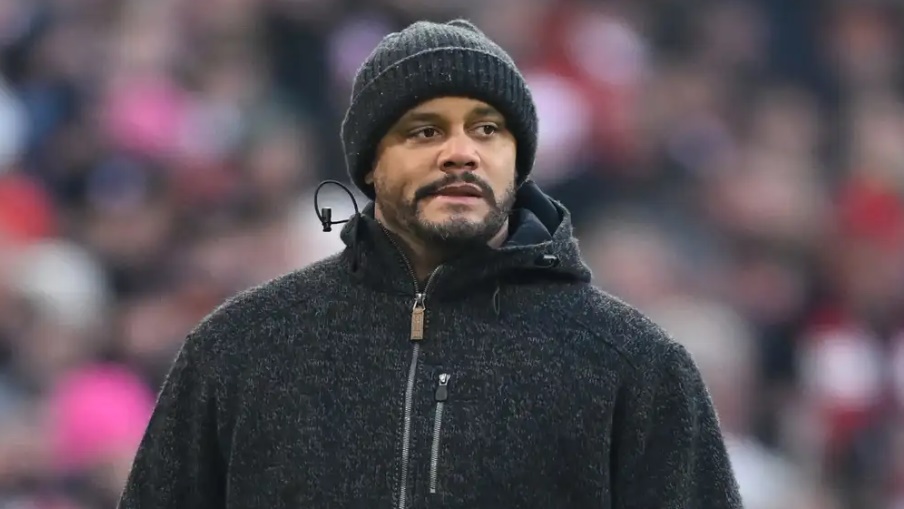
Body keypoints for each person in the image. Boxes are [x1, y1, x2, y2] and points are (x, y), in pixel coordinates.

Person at [118, 19, 742, 508]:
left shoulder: (634, 365)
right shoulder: (241, 348)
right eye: (425, 131)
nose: (461, 154)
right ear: (370, 163)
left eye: (488, 130)